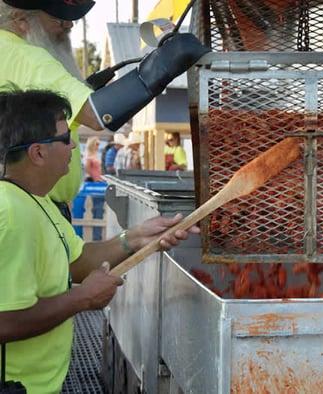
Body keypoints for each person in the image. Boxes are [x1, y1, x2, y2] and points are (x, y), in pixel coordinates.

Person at [0, 88, 200, 393]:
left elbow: (77, 262)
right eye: (65, 139)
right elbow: (5, 322)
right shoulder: (10, 212)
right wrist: (83, 298)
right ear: (38, 153)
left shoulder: (35, 200)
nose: (72, 149)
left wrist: (138, 237)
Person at [0, 0, 210, 220]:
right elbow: (97, 114)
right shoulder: (30, 59)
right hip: (29, 209)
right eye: (59, 18)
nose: (69, 26)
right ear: (21, 20)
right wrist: (163, 65)